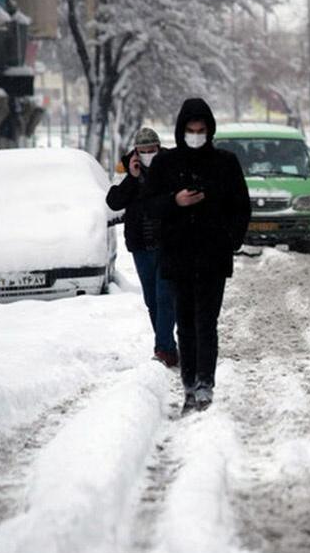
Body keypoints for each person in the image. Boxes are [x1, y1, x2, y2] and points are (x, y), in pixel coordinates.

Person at [144, 98, 251, 412]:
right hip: (178, 256)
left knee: (207, 322)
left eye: (200, 130)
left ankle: (205, 384)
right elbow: (149, 205)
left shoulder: (225, 163)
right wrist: (175, 201)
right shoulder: (165, 164)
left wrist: (230, 239)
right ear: (181, 130)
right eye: (190, 130)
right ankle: (189, 384)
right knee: (185, 323)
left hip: (212, 256)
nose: (195, 136)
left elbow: (241, 206)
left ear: (209, 130)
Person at [106, 127, 178, 368]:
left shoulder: (170, 164)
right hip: (141, 245)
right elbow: (113, 201)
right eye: (143, 151)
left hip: (168, 243)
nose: (148, 154)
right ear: (136, 151)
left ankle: (163, 349)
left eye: (151, 150)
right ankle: (168, 346)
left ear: (158, 148)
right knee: (152, 300)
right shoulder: (125, 168)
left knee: (165, 296)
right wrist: (132, 177)